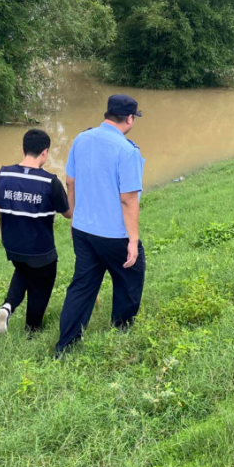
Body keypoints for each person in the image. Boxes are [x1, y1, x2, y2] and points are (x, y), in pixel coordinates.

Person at [55, 95, 146, 356]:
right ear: (129, 118)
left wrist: (73, 216)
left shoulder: (81, 139)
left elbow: (70, 182)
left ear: (107, 114)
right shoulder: (127, 150)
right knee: (130, 274)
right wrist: (132, 240)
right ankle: (121, 330)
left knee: (83, 284)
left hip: (83, 230)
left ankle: (65, 346)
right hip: (113, 233)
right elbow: (128, 200)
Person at [0, 129, 72, 335]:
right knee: (41, 285)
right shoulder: (50, 182)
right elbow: (68, 213)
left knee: (22, 271)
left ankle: (7, 307)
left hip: (13, 245)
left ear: (23, 149)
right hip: (41, 249)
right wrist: (72, 188)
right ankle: (33, 329)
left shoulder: (2, 174)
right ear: (45, 153)